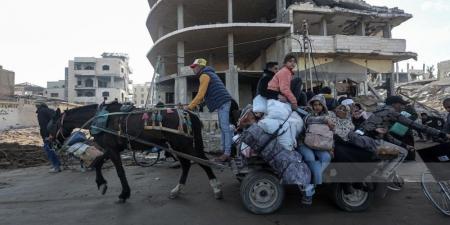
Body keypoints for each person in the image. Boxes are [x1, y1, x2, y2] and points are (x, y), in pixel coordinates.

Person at [349, 96, 449, 190]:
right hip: (369, 140)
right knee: (402, 153)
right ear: (394, 104)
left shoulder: (379, 112)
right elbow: (415, 125)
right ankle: (383, 176)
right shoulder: (391, 112)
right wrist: (441, 134)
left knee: (395, 151)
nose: (403, 106)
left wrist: (405, 145)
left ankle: (377, 173)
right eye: (401, 104)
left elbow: (387, 136)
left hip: (360, 137)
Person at [185, 58, 233, 162]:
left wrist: (189, 107)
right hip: (223, 101)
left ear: (200, 67)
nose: (193, 69)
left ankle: (227, 153)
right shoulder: (209, 74)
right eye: (193, 67)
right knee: (223, 127)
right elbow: (209, 94)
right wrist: (201, 104)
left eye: (195, 67)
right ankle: (225, 151)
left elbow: (201, 94)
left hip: (223, 102)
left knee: (225, 128)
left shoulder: (204, 75)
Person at [297, 95, 334, 205]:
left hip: (319, 145)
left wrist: (332, 148)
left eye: (319, 105)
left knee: (326, 157)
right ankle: (308, 194)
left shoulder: (329, 116)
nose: (317, 107)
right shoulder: (308, 115)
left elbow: (332, 134)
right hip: (304, 143)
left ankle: (310, 185)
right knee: (310, 158)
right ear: (311, 105)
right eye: (315, 104)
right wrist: (325, 120)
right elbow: (311, 120)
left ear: (323, 106)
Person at [36, 101, 61, 173]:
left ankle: (56, 166)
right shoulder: (50, 110)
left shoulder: (41, 112)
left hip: (48, 134)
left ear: (38, 106)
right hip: (57, 132)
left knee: (48, 148)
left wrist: (48, 135)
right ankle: (57, 164)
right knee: (52, 148)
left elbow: (43, 125)